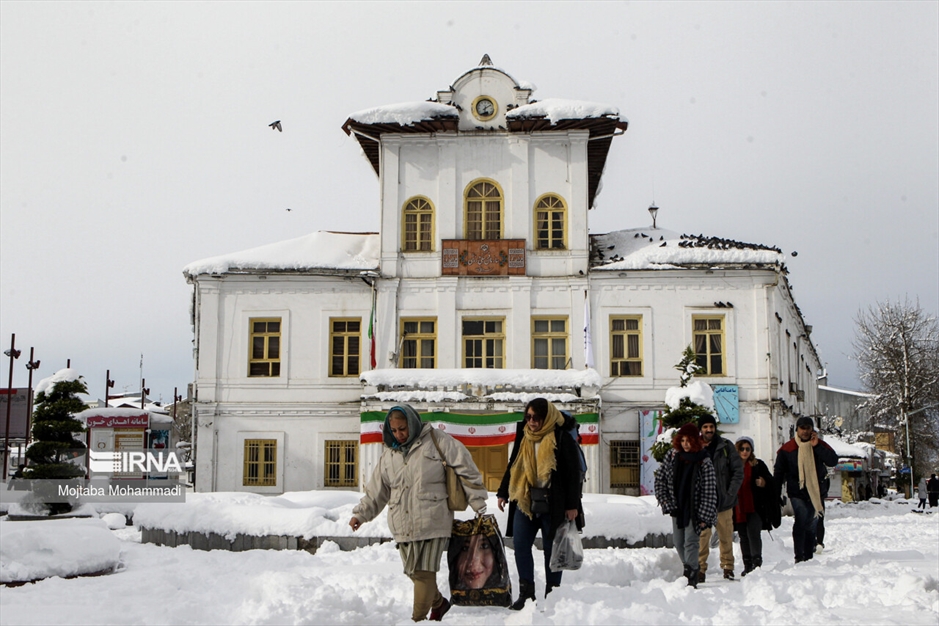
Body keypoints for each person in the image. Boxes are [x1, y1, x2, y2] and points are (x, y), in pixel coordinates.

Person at [349, 404, 488, 622]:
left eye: (402, 429)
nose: (399, 434)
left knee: (424, 573)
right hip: (402, 522)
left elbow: (466, 469)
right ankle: (439, 603)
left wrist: (478, 501)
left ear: (412, 423)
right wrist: (360, 514)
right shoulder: (389, 454)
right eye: (394, 430)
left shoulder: (437, 440)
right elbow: (377, 490)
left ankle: (418, 620)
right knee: (413, 572)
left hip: (434, 519)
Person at [497, 398, 585, 610]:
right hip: (525, 500)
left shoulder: (561, 437)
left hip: (554, 503)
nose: (532, 422)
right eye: (528, 417)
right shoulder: (524, 435)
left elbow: (573, 474)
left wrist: (572, 505)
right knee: (520, 546)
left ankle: (553, 594)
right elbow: (514, 464)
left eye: (536, 417)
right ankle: (526, 594)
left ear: (547, 418)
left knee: (551, 549)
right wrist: (503, 492)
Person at [654, 423, 717, 588]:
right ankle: (690, 567)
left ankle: (691, 573)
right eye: (682, 441)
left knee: (691, 541)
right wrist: (666, 501)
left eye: (688, 440)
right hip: (677, 507)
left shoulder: (704, 460)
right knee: (678, 541)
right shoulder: (672, 456)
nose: (685, 444)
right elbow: (660, 479)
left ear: (695, 441)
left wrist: (704, 516)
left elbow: (709, 490)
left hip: (695, 509)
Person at [773, 416, 838, 563]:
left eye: (808, 428)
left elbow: (833, 460)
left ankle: (808, 555)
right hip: (797, 491)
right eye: (802, 428)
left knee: (812, 523)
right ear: (797, 429)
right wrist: (775, 494)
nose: (805, 431)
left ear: (812, 430)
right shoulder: (788, 449)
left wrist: (817, 446)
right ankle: (799, 555)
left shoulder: (819, 445)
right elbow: (779, 473)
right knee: (801, 519)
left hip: (816, 492)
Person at [696, 415, 744, 582]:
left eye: (711, 426)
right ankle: (700, 569)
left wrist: (730, 494)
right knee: (703, 537)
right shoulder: (695, 447)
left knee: (726, 536)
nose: (709, 430)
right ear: (701, 429)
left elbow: (738, 472)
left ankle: (728, 567)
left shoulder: (725, 446)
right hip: (703, 503)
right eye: (705, 427)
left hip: (724, 501)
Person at [732, 436, 779, 575]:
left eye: (748, 449)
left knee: (753, 532)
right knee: (743, 535)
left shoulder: (758, 465)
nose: (745, 452)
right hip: (738, 507)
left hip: (755, 506)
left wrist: (764, 482)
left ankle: (756, 562)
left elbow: (771, 482)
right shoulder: (732, 466)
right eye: (742, 449)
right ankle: (747, 564)